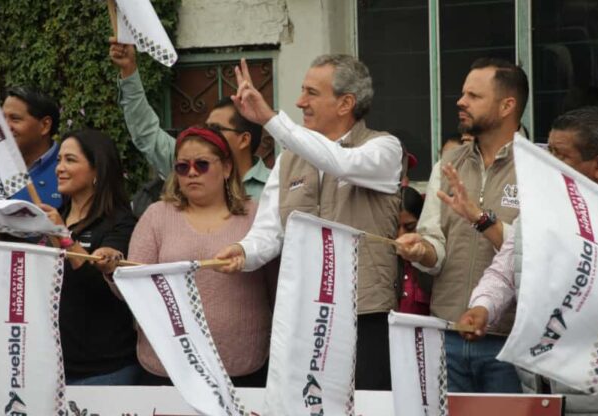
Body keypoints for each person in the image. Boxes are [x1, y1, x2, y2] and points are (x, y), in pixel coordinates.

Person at [458, 106, 598, 415]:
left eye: (561, 155)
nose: (548, 163)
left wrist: (559, 308)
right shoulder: (541, 208)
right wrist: (483, 307)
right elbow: (507, 269)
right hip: (540, 394)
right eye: (548, 151)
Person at [215, 55, 404, 390]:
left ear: (346, 103)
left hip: (365, 317)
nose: (300, 102)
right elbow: (270, 231)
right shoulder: (289, 158)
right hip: (304, 316)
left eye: (311, 93)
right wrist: (243, 252)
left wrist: (270, 119)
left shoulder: (384, 148)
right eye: (302, 91)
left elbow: (341, 163)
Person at [396, 57, 529, 393]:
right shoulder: (450, 163)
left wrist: (480, 220)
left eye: (473, 95)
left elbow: (532, 256)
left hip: (509, 340)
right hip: (448, 332)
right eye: (462, 93)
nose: (460, 102)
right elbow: (435, 245)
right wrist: (421, 251)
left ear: (507, 106)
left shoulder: (538, 167)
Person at [124, 127, 271, 387]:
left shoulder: (257, 216)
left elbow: (277, 285)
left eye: (201, 164)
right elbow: (134, 287)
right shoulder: (156, 216)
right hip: (168, 366)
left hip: (241, 365)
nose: (191, 172)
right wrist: (112, 272)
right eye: (182, 167)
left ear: (226, 168)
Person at [108, 38, 270, 200]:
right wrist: (129, 70)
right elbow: (146, 132)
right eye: (207, 128)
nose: (208, 135)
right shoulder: (188, 163)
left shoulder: (274, 186)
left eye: (216, 129)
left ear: (244, 140)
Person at [40, 129, 139, 385]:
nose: (59, 168)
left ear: (98, 170)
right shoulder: (53, 217)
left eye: (70, 160)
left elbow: (100, 283)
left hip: (104, 371)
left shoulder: (121, 223)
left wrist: (62, 236)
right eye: (59, 160)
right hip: (51, 369)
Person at [397, 186, 431, 315]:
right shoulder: (380, 263)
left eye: (410, 227)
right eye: (395, 227)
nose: (401, 235)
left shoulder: (433, 262)